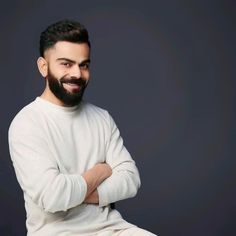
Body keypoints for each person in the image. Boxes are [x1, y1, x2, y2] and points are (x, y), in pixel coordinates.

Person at [8, 19, 156, 236]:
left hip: (113, 229)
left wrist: (73, 193)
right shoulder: (27, 123)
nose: (77, 74)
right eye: (66, 64)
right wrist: (101, 171)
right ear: (43, 66)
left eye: (83, 64)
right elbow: (52, 197)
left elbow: (131, 180)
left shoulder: (102, 118)